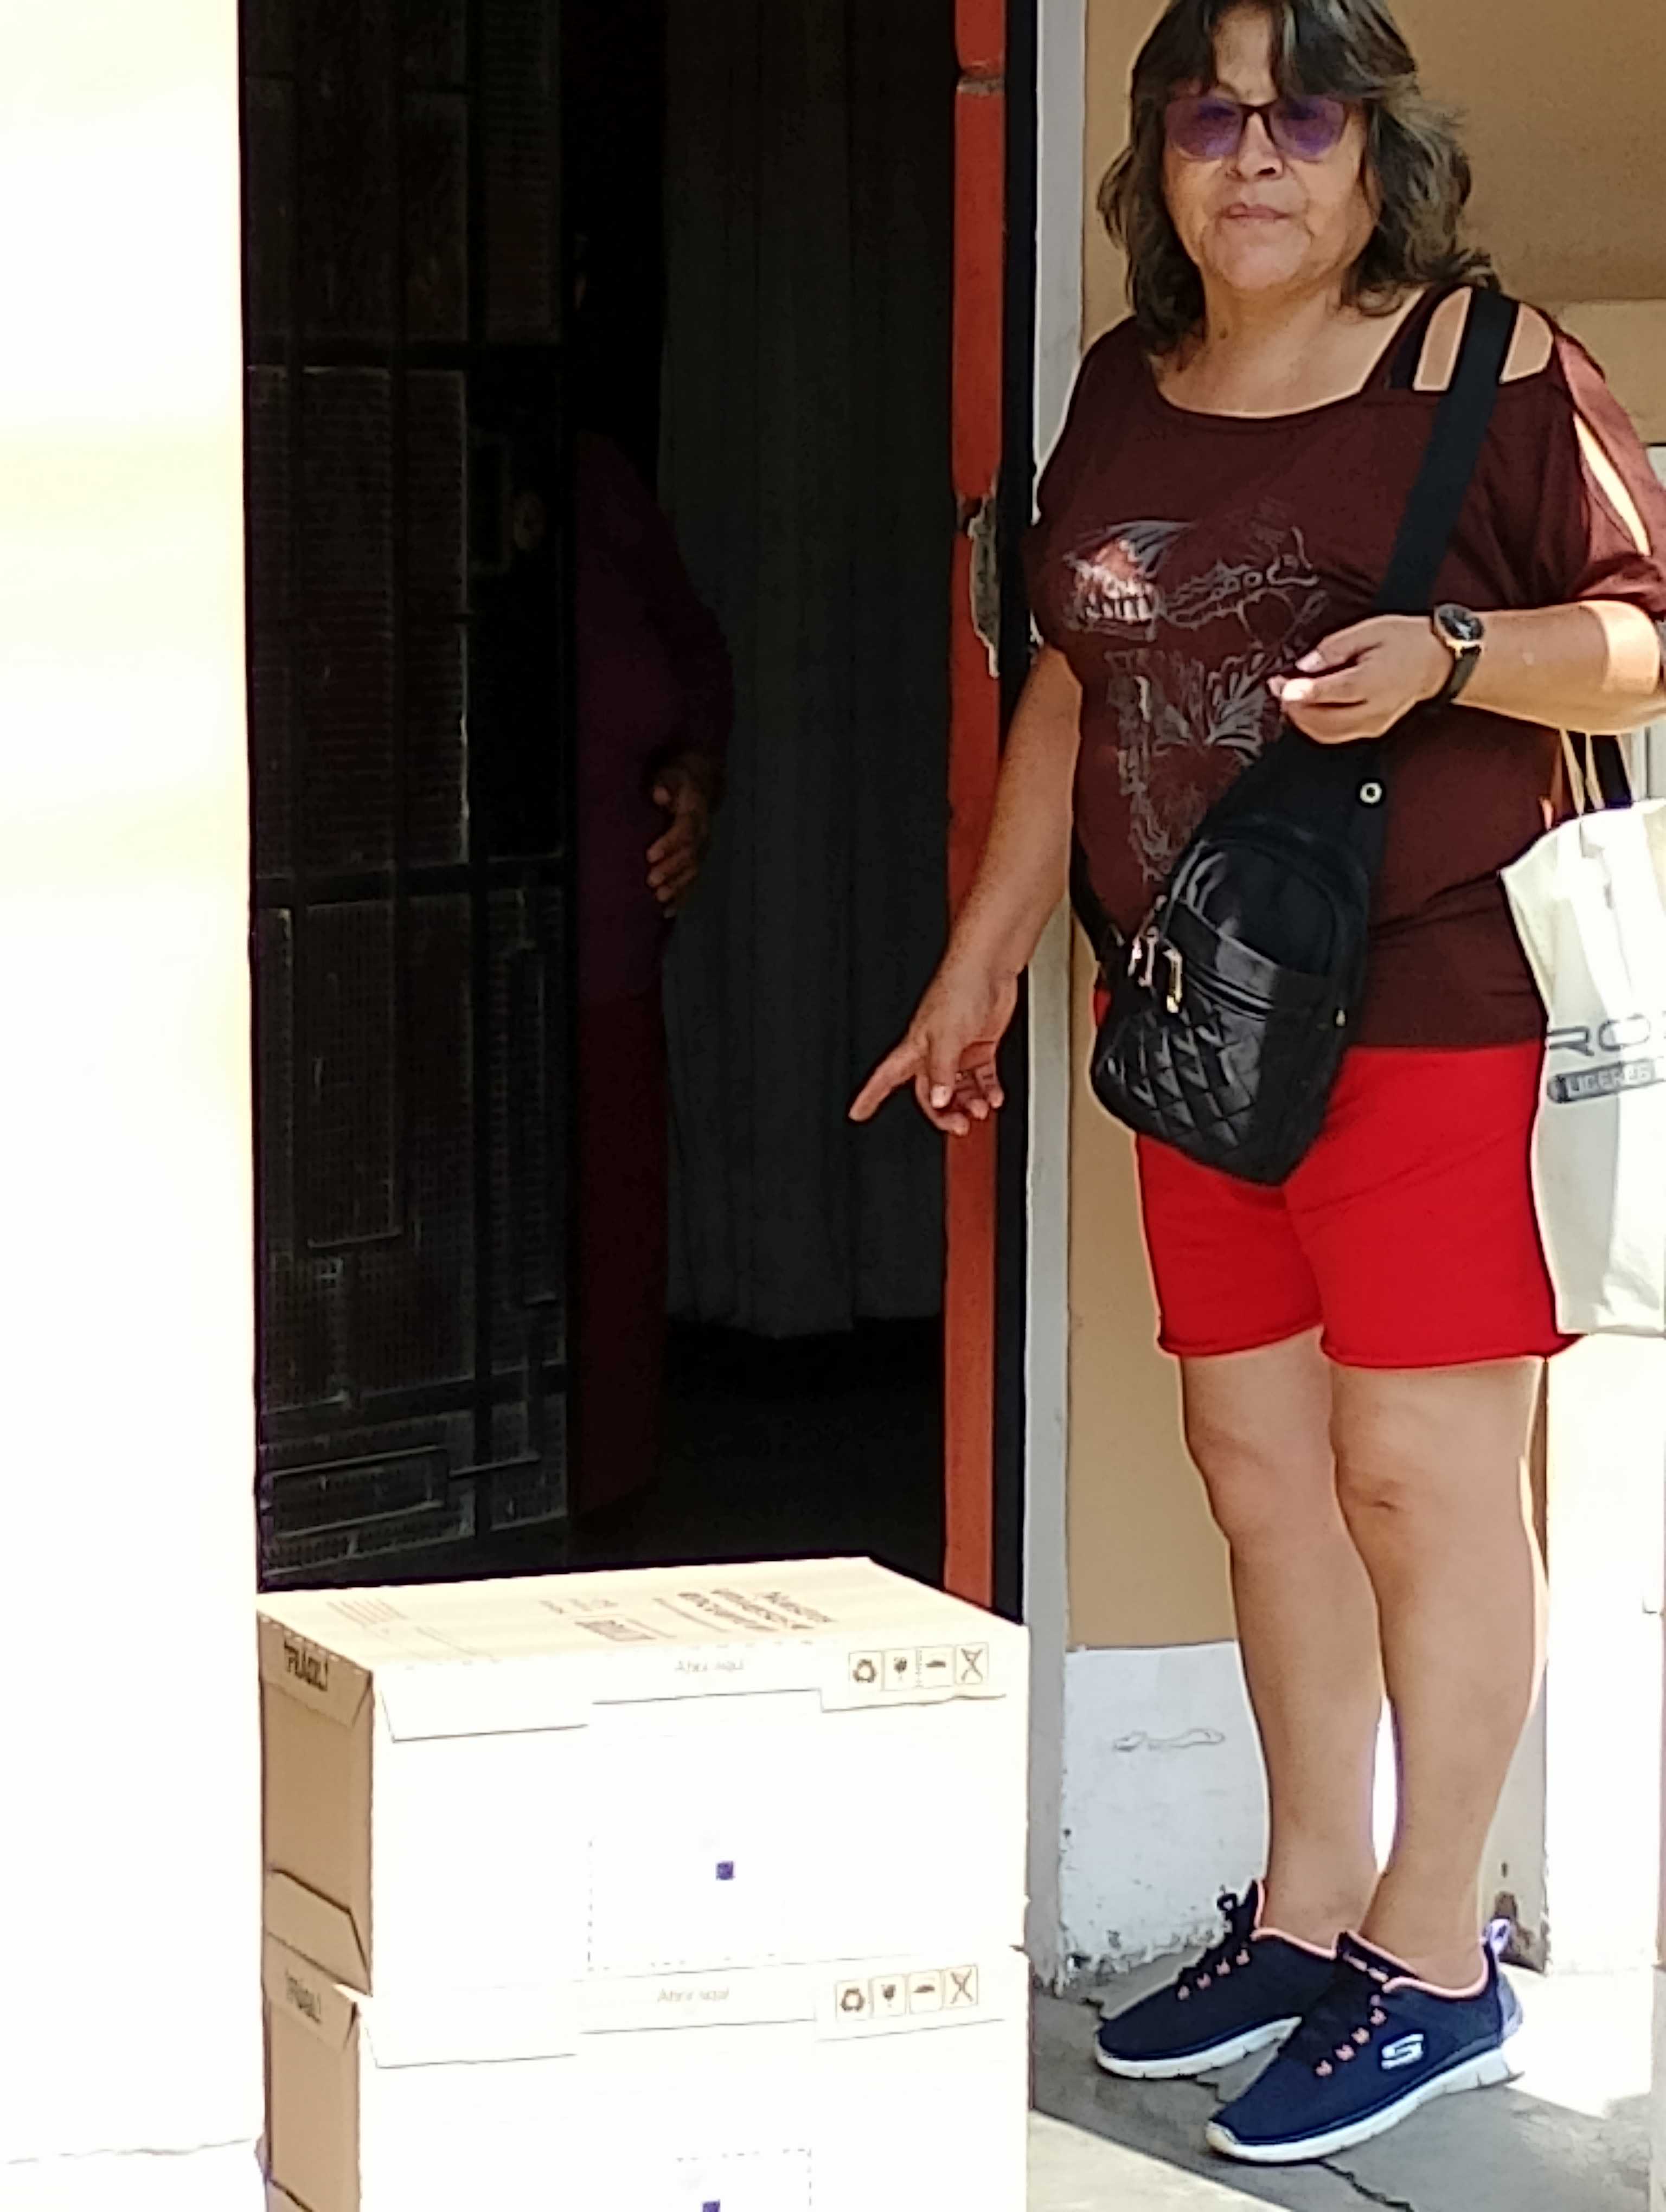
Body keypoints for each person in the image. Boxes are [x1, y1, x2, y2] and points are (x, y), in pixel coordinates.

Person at [852, 0, 1666, 2168]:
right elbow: (1072, 676)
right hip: (1202, 1025)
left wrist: (1457, 657)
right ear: (1160, 158)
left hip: (1434, 1006)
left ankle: (1436, 1956)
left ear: (1377, 146)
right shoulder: (1126, 384)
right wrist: (986, 955)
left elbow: (1643, 636)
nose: (1256, 153)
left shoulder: (1490, 367)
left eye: (1303, 110)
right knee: (1257, 1465)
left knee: (1415, 1474)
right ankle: (1309, 1915)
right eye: (1208, 114)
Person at [573, 426, 731, 1521]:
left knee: (612, 1218)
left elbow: (696, 662)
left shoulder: (594, 478)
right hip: (411, 946)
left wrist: (696, 786)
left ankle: (608, 1514)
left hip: (608, 935)